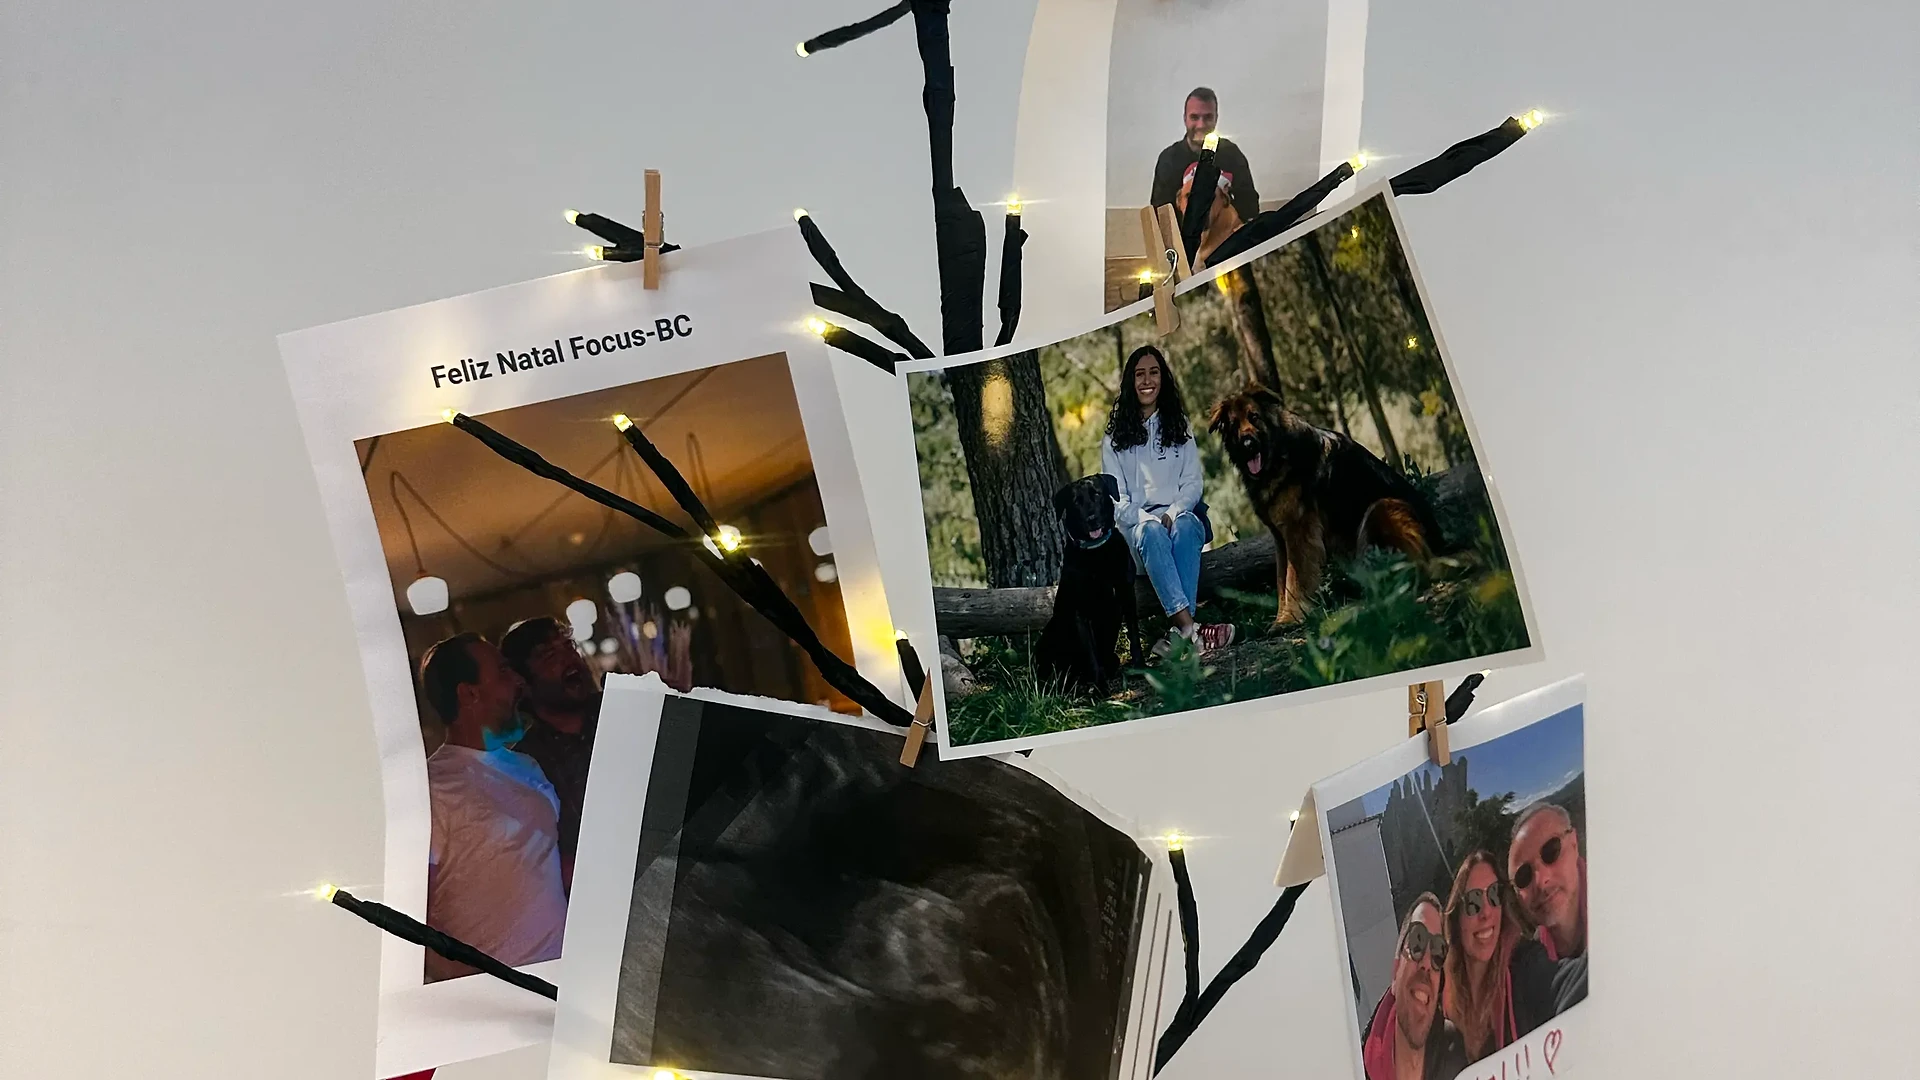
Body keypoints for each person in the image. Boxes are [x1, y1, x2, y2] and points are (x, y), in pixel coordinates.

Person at [418, 633, 568, 981]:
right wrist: (472, 987)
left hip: (565, 979)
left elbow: (541, 866)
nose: (518, 680)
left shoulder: (527, 766)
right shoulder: (432, 787)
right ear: (468, 693)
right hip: (496, 1002)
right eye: (502, 672)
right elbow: (409, 911)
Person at [1100, 344, 1235, 659]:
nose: (1148, 380)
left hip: (1176, 521)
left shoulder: (1179, 425)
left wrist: (1174, 513)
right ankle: (1192, 631)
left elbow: (1192, 483)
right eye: (1140, 374)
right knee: (1152, 533)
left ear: (1163, 378)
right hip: (1137, 532)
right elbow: (1117, 501)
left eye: (1154, 372)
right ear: (1130, 382)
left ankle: (1177, 637)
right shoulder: (1114, 438)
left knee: (1190, 525)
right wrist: (1149, 520)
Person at [1442, 852, 1590, 1062]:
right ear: (1457, 919)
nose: (1486, 912)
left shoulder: (1525, 967)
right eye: (1473, 901)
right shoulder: (1447, 1004)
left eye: (1494, 895)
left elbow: (1568, 983)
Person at [501, 616, 603, 889]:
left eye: (569, 646)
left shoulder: (622, 711)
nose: (569, 659)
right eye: (549, 656)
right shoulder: (526, 766)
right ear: (523, 682)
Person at [1362, 894, 1469, 1080]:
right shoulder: (1354, 1067)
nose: (1427, 963)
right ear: (1396, 971)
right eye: (1417, 941)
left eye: (1438, 952)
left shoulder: (1458, 1062)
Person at [1150, 87, 1260, 223]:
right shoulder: (1169, 160)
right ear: (1185, 119)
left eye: (1208, 117)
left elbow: (1249, 207)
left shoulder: (1232, 154)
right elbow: (1160, 218)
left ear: (1216, 118)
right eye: (1194, 117)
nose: (1201, 125)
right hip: (1183, 242)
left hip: (1227, 240)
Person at [1507, 803, 1587, 960]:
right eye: (1523, 876)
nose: (1541, 880)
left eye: (1551, 851)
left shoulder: (1624, 904)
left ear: (1574, 844)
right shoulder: (1535, 966)